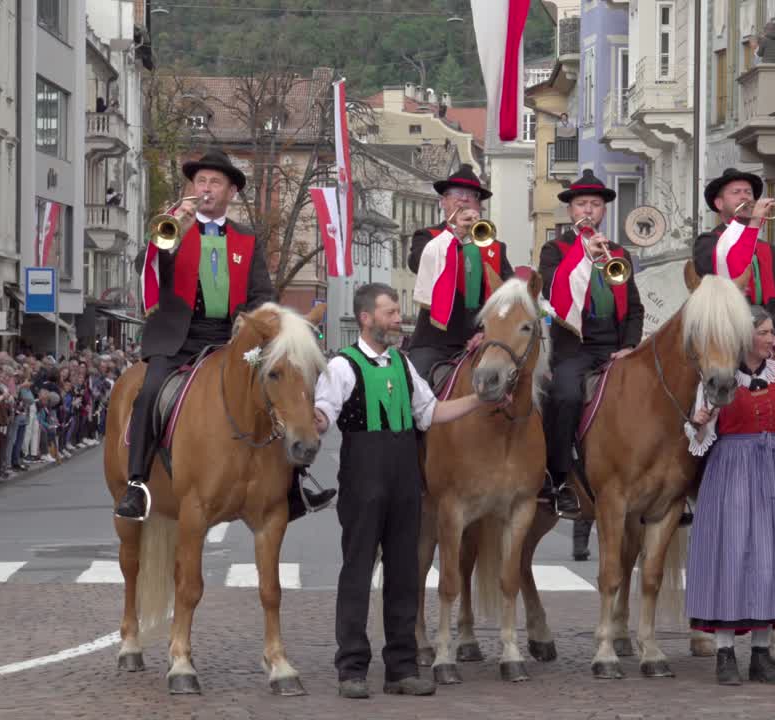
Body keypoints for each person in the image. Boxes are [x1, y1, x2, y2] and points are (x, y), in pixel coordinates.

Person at [116, 149, 330, 520]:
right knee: (149, 392)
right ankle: (137, 483)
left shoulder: (247, 239)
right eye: (200, 181)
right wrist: (169, 235)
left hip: (231, 339)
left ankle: (296, 483)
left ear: (231, 191)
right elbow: (145, 268)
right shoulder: (173, 231)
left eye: (215, 182)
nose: (206, 188)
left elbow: (263, 293)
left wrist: (251, 323)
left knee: (279, 393)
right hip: (178, 340)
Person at [314, 283, 489, 700]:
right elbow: (324, 412)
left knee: (405, 575)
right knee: (357, 572)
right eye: (390, 312)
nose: (398, 318)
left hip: (405, 479)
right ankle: (352, 668)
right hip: (363, 477)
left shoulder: (403, 364)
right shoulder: (342, 366)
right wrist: (313, 419)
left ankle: (402, 668)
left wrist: (478, 400)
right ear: (366, 318)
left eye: (397, 311)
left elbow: (431, 413)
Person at [683, 305, 775, 686]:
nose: (772, 339)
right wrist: (697, 425)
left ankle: (762, 655)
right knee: (730, 557)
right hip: (731, 466)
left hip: (774, 468)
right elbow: (701, 438)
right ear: (745, 337)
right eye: (765, 333)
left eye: (772, 333)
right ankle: (725, 655)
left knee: (771, 557)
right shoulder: (718, 377)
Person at [540, 169, 644, 516]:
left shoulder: (619, 253)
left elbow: (635, 308)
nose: (588, 211)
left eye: (595, 205)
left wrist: (629, 346)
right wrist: (584, 255)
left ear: (604, 212)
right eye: (581, 204)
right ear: (571, 211)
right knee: (566, 396)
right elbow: (552, 291)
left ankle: (656, 478)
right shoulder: (554, 250)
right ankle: (556, 479)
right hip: (573, 349)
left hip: (614, 347)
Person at [405, 164, 512, 379]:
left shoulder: (495, 247)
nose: (463, 200)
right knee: (412, 385)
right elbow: (417, 262)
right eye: (456, 194)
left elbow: (507, 294)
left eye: (471, 196)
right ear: (443, 202)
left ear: (479, 206)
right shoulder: (427, 236)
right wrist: (454, 234)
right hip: (434, 341)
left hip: (481, 340)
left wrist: (486, 332)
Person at [692, 168, 775, 352]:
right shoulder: (708, 242)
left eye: (748, 192)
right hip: (726, 339)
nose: (745, 197)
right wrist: (754, 223)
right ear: (719, 203)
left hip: (767, 338)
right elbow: (732, 271)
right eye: (736, 192)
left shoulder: (767, 249)